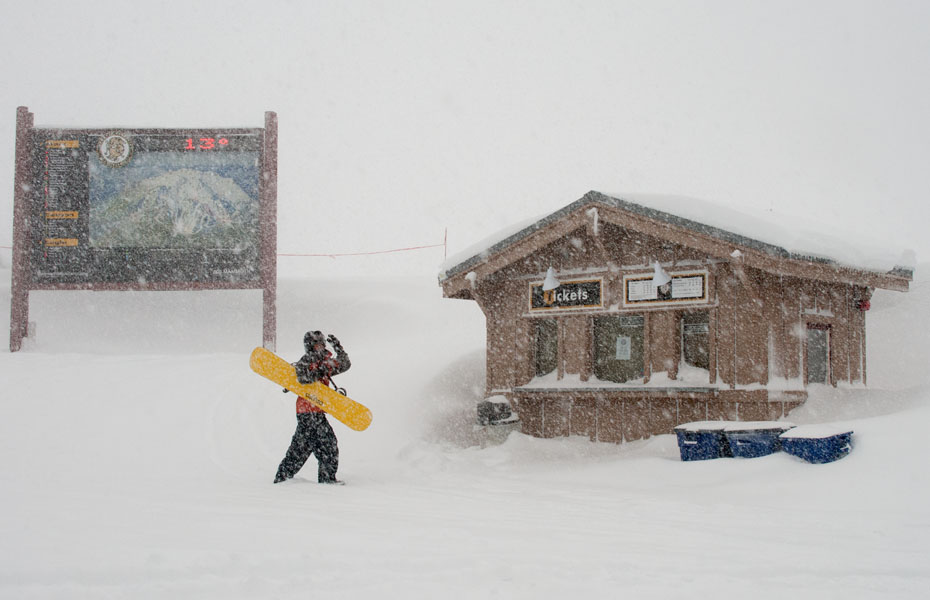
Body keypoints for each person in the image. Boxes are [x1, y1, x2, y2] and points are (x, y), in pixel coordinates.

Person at [274, 330, 351, 484]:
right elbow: (302, 377)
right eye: (318, 345)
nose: (321, 347)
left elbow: (344, 365)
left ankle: (283, 477)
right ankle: (327, 480)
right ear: (310, 346)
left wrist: (339, 348)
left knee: (302, 447)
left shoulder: (324, 362)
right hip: (309, 411)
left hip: (312, 412)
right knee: (328, 445)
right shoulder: (306, 361)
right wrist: (320, 370)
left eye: (323, 344)